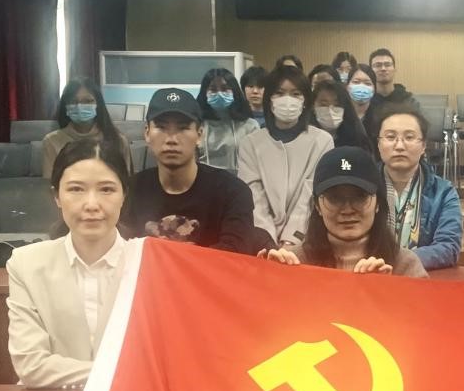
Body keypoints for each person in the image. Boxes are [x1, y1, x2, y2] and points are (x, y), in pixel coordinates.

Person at [7, 139, 131, 388]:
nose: (92, 204)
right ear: (56, 196)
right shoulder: (26, 264)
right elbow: (31, 365)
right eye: (76, 189)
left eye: (106, 189)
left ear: (124, 196)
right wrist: (121, 372)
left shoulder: (148, 263)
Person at [122, 87, 255, 253]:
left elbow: (234, 256)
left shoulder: (232, 192)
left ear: (200, 134)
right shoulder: (129, 191)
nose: (171, 139)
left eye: (183, 128)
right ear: (147, 133)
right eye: (161, 127)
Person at [258, 146, 427, 277]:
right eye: (335, 198)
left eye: (360, 197)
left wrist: (386, 292)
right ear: (317, 205)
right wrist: (265, 281)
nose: (347, 209)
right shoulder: (292, 263)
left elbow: (423, 311)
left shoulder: (404, 265)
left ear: (378, 203)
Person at [237, 67, 335, 248]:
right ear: (269, 100)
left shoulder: (322, 141)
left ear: (305, 101)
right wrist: (267, 241)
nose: (287, 100)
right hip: (261, 241)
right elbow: (254, 196)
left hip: (306, 239)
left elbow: (311, 194)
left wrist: (291, 240)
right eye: (279, 93)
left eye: (296, 94)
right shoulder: (250, 143)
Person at [376, 105, 463, 270]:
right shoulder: (365, 189)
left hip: (422, 277)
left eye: (409, 137)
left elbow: (449, 247)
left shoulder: (443, 192)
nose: (399, 146)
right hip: (373, 276)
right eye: (390, 137)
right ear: (379, 144)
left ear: (423, 146)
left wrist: (397, 261)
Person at [43, 77, 130, 179]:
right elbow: (50, 182)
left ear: (98, 104)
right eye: (73, 101)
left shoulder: (117, 140)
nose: (80, 106)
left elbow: (125, 182)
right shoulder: (52, 141)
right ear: (65, 106)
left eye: (88, 101)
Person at [195, 68, 260, 176]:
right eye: (213, 89)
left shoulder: (250, 126)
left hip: (240, 182)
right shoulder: (197, 125)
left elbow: (257, 162)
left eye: (225, 89)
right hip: (204, 182)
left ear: (235, 91)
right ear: (204, 93)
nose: (219, 93)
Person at [311, 79, 373, 153]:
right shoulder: (305, 138)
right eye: (324, 104)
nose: (330, 110)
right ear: (313, 106)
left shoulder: (357, 138)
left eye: (337, 105)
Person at [364, 47, 414, 138]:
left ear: (394, 69)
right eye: (378, 65)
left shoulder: (409, 100)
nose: (383, 68)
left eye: (387, 65)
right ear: (370, 71)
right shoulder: (365, 100)